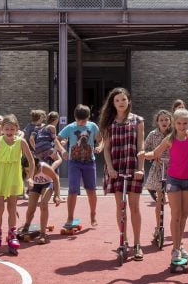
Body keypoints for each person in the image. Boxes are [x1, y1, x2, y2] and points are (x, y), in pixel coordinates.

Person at [146, 108, 188, 265]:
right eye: (179, 123)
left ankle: (179, 245)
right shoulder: (170, 138)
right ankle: (175, 250)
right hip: (173, 181)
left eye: (185, 123)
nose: (182, 126)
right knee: (176, 215)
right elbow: (155, 153)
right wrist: (143, 154)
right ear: (174, 123)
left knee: (184, 215)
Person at [101, 87, 146, 260]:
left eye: (124, 99)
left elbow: (141, 146)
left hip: (132, 167)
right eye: (117, 100)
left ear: (128, 101)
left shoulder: (138, 121)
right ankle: (123, 240)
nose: (121, 102)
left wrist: (140, 168)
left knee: (134, 207)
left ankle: (137, 244)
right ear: (113, 103)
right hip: (115, 168)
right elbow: (106, 148)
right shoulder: (108, 122)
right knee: (121, 207)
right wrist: (110, 168)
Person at [0, 114, 33, 253]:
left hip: (14, 175)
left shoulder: (21, 142)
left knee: (12, 207)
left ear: (16, 129)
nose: (9, 132)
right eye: (7, 129)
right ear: (2, 129)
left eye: (12, 129)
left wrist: (30, 177)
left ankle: (12, 235)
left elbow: (31, 161)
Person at [58, 104, 102, 228]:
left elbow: (101, 139)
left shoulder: (92, 126)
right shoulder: (70, 127)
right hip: (74, 163)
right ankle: (70, 217)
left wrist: (100, 146)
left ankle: (93, 215)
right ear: (75, 117)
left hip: (89, 162)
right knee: (72, 190)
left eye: (85, 120)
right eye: (79, 120)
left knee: (91, 191)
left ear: (88, 117)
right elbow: (57, 139)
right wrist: (63, 150)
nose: (82, 123)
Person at [18, 144, 62, 245]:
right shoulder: (23, 171)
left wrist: (57, 195)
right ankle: (26, 226)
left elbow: (55, 179)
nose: (30, 173)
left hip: (47, 184)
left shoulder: (44, 167)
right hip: (36, 186)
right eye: (27, 171)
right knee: (31, 207)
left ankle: (43, 234)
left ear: (35, 165)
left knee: (43, 205)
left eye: (31, 170)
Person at [144, 109, 173, 205]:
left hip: (171, 165)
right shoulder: (153, 134)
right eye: (161, 120)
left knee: (170, 187)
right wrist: (152, 156)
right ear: (157, 122)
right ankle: (157, 195)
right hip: (158, 164)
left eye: (166, 120)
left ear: (170, 121)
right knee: (158, 186)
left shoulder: (173, 134)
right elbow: (145, 148)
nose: (164, 122)